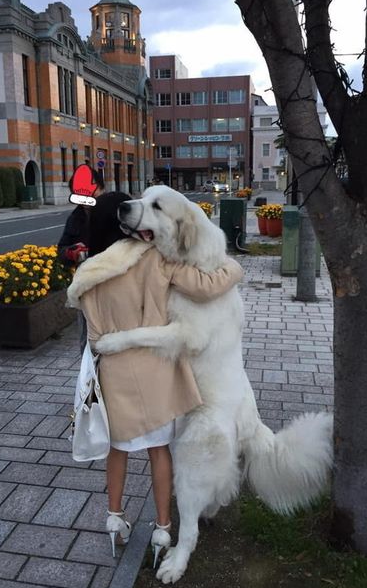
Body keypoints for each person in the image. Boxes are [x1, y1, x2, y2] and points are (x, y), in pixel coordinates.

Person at [67, 192, 243, 566]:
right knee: (159, 451)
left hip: (114, 377)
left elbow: (95, 338)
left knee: (116, 450)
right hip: (157, 375)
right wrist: (234, 269)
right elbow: (206, 285)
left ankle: (115, 520)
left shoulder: (87, 276)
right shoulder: (155, 260)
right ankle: (163, 528)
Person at [58, 167, 105, 352]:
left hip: (114, 283)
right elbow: (61, 249)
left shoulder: (116, 211)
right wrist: (71, 253)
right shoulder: (75, 218)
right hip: (86, 284)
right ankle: (88, 378)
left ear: (100, 187)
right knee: (87, 338)